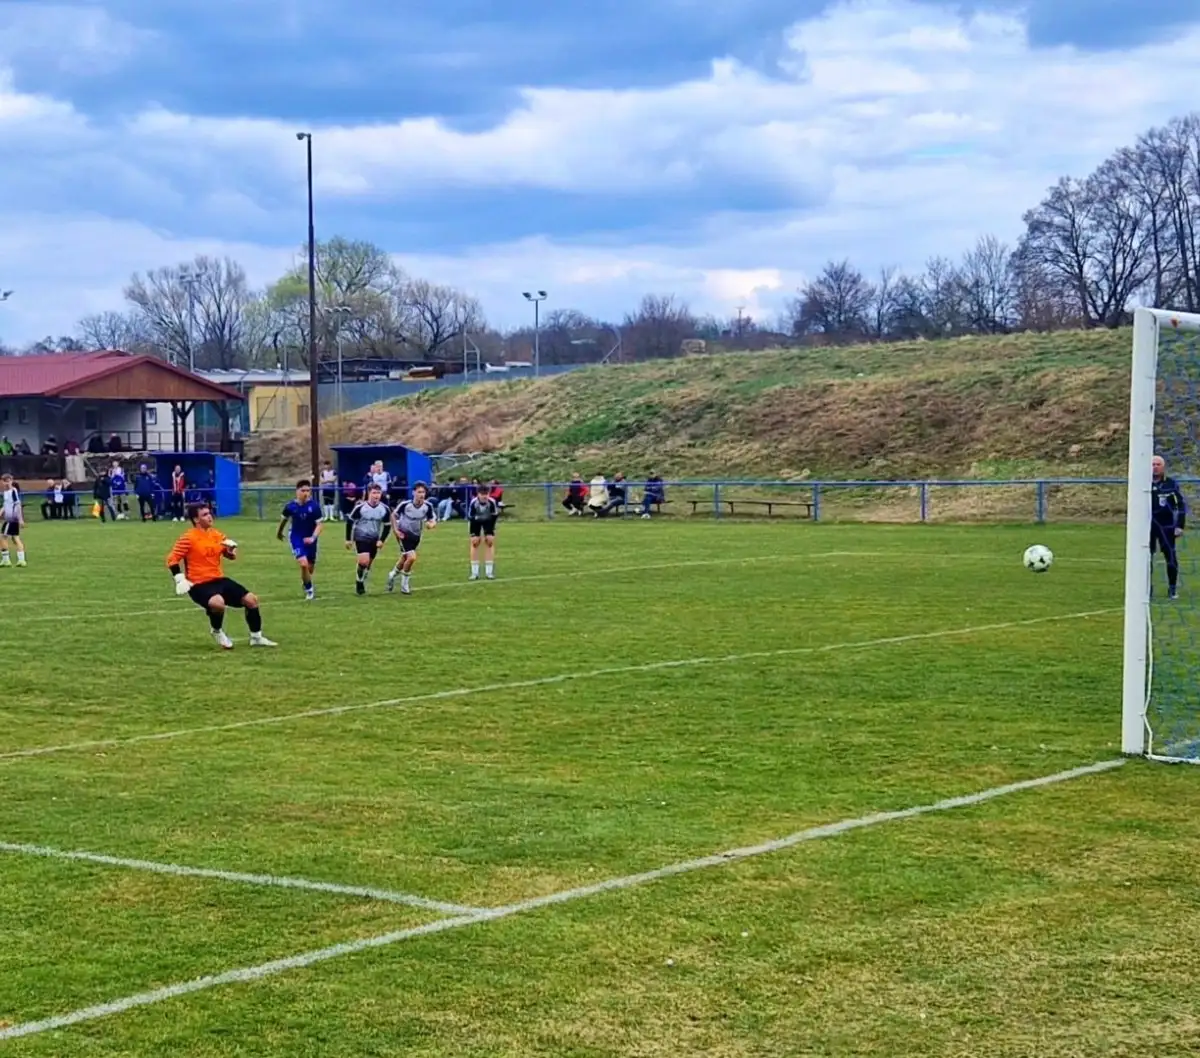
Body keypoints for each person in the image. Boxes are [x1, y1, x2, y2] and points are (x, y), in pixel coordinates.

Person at [166, 502, 276, 650]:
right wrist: (179, 579)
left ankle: (256, 637)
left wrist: (230, 552)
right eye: (204, 514)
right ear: (196, 520)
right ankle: (216, 630)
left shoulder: (217, 535)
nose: (209, 516)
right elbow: (172, 559)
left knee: (252, 600)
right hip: (199, 584)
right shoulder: (188, 538)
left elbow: (229, 556)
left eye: (209, 513)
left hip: (219, 579)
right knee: (218, 603)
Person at [387, 482, 437, 595]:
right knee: (412, 557)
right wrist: (396, 530)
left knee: (405, 558)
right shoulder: (405, 505)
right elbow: (393, 516)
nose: (421, 494)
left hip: (416, 535)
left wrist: (431, 524)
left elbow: (432, 519)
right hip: (403, 534)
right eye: (419, 492)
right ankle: (405, 585)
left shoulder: (427, 506)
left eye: (423, 492)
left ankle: (393, 574)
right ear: (413, 492)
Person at [277, 479, 324, 601]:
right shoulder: (290, 506)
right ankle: (309, 590)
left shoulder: (314, 506)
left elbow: (319, 525)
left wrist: (313, 538)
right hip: (296, 537)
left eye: (308, 491)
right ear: (297, 491)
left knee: (310, 567)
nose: (306, 493)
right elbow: (283, 520)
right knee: (303, 564)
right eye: (303, 490)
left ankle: (305, 581)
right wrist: (279, 532)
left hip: (311, 539)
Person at [345, 483, 391, 595]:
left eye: (378, 493)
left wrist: (382, 540)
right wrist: (348, 539)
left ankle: (360, 576)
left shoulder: (384, 509)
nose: (376, 495)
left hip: (374, 539)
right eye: (374, 493)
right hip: (360, 537)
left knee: (368, 565)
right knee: (364, 561)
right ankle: (359, 582)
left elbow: (387, 525)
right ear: (368, 494)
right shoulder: (360, 508)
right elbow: (350, 522)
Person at [1151, 454, 1186, 600]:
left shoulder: (1171, 484)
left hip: (1166, 526)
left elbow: (1180, 506)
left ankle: (1172, 589)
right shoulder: (1141, 483)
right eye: (1153, 464)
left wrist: (1179, 526)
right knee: (1146, 558)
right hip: (1148, 526)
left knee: (1170, 557)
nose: (1155, 467)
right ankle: (1146, 589)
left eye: (1158, 464)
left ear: (1163, 467)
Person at [467, 482, 499, 581]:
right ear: (478, 494)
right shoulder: (474, 503)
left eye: (486, 494)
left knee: (489, 542)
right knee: (475, 543)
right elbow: (470, 517)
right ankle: (474, 573)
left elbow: (494, 516)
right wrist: (474, 534)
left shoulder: (492, 502)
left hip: (488, 521)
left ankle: (489, 572)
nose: (484, 496)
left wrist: (490, 532)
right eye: (482, 494)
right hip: (475, 521)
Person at [0, 473, 26, 567]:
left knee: (3, 537)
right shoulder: (5, 493)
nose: (6, 483)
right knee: (15, 538)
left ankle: (6, 560)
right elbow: (6, 504)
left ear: (11, 481)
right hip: (9, 518)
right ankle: (21, 560)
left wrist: (20, 519)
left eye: (8, 481)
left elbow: (18, 504)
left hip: (12, 519)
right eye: (4, 481)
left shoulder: (13, 491)